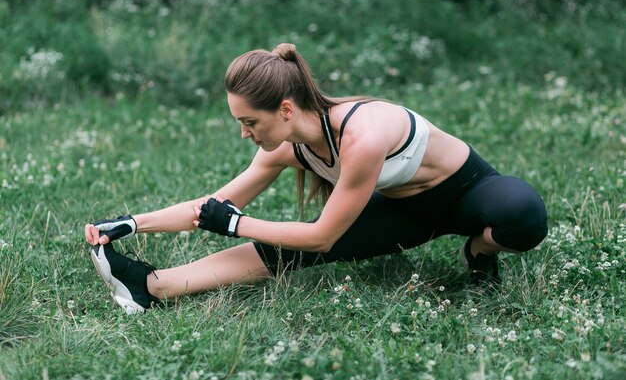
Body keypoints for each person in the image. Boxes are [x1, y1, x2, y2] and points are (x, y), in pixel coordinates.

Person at [84, 43, 548, 314]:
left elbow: (322, 236)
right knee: (291, 248)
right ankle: (154, 285)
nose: (245, 134)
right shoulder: (286, 149)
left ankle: (478, 250)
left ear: (285, 109)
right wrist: (130, 223)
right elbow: (209, 207)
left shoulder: (362, 135)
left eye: (250, 122)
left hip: (467, 191)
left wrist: (234, 223)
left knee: (523, 216)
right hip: (406, 211)